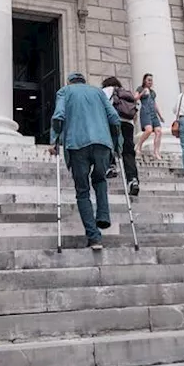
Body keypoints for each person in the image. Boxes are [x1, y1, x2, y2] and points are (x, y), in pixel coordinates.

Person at [50, 72, 122, 251]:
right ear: (84, 81)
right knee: (100, 180)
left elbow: (58, 116)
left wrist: (55, 140)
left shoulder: (64, 91)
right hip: (102, 143)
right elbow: (114, 117)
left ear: (70, 82)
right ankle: (103, 216)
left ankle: (94, 237)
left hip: (77, 144)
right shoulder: (98, 92)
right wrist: (117, 143)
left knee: (82, 191)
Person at [101, 76, 141, 196]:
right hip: (128, 124)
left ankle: (111, 166)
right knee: (128, 152)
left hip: (113, 122)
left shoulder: (106, 91)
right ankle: (132, 180)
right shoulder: (126, 92)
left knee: (109, 144)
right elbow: (136, 111)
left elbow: (102, 107)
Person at [135, 74, 163, 159]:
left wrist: (160, 115)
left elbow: (154, 104)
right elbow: (135, 98)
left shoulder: (152, 92)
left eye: (151, 80)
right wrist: (142, 93)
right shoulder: (140, 88)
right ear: (144, 81)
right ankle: (138, 145)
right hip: (145, 112)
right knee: (148, 130)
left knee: (159, 131)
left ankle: (156, 151)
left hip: (153, 113)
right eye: (149, 80)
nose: (150, 82)